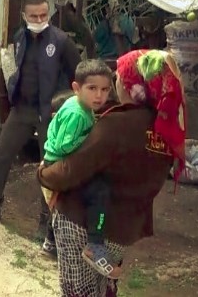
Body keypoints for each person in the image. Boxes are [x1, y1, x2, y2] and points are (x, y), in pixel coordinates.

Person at [39, 49, 185, 297]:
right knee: (104, 288)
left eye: (119, 77)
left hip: (81, 223)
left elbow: (70, 171)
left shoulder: (117, 125)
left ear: (132, 84)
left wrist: (43, 173)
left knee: (80, 292)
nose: (116, 83)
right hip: (125, 228)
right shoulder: (167, 129)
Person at [0, 0, 80, 256]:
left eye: (43, 16)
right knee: (1, 155)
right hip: (22, 109)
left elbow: (79, 76)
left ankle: (45, 223)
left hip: (49, 113)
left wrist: (63, 104)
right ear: (25, 17)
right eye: (34, 17)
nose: (39, 20)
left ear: (48, 14)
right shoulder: (21, 36)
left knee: (49, 167)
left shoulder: (61, 42)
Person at [41, 60, 115, 276]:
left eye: (104, 89)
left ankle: (50, 243)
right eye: (92, 89)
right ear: (76, 88)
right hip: (60, 162)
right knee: (101, 190)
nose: (99, 96)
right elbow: (65, 145)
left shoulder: (78, 104)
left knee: (62, 204)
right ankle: (95, 244)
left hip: (54, 160)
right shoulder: (78, 114)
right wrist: (92, 137)